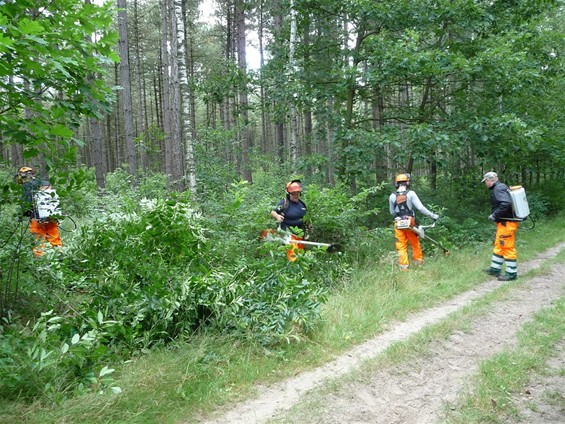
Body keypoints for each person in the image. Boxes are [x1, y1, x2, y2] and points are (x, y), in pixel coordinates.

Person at [389, 173, 439, 271]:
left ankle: (404, 268)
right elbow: (421, 208)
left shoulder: (392, 196)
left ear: (397, 183)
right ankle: (418, 263)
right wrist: (433, 216)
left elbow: (392, 212)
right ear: (407, 183)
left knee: (401, 245)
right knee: (415, 243)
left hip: (398, 224)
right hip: (410, 223)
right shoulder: (411, 194)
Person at [15, 166, 63, 256]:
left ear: (21, 176)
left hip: (37, 218)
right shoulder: (45, 183)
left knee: (38, 239)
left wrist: (22, 215)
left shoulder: (27, 185)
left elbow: (27, 202)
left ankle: (40, 259)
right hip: (51, 215)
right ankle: (59, 255)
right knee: (54, 236)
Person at [482, 171, 518, 281]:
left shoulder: (498, 189)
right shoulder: (502, 187)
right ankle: (495, 269)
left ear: (489, 180)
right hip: (503, 223)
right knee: (499, 245)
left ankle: (511, 274)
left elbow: (505, 203)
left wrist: (494, 215)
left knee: (507, 246)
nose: (485, 184)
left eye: (485, 182)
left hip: (507, 223)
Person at [271, 180, 307, 261]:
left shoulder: (302, 205)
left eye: (297, 193)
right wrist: (277, 216)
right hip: (287, 234)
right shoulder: (284, 203)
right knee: (292, 257)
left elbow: (306, 217)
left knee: (301, 256)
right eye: (293, 194)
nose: (296, 195)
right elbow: (273, 212)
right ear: (289, 194)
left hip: (299, 235)